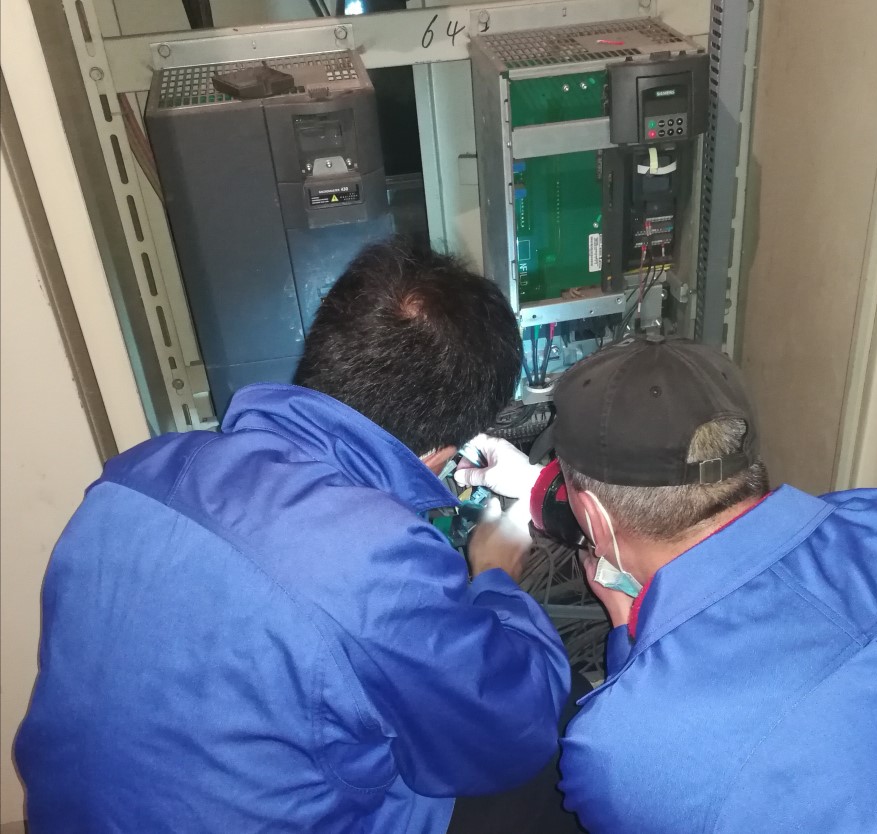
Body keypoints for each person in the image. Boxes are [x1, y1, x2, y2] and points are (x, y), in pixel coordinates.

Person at [15, 238, 572, 833]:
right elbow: (510, 733)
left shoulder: (133, 475)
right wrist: (494, 576)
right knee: (558, 735)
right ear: (439, 453)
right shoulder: (372, 558)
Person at [458, 335, 877, 833]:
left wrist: (623, 634)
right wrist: (532, 485)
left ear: (594, 519)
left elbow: (653, 735)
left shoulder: (619, 751)